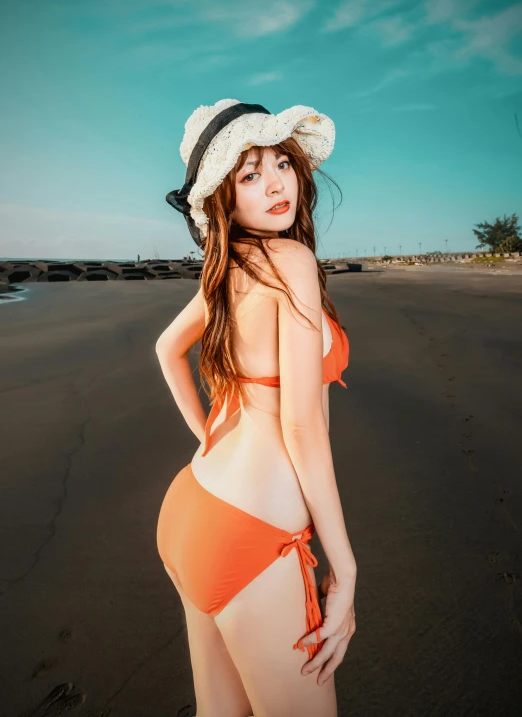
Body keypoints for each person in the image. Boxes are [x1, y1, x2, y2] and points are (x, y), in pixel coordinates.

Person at [155, 99, 357, 717]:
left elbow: (167, 350)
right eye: (249, 174)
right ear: (224, 197)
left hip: (192, 510)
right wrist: (343, 567)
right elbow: (301, 425)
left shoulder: (226, 270)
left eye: (280, 164)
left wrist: (205, 442)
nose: (274, 184)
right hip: (253, 540)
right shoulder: (291, 261)